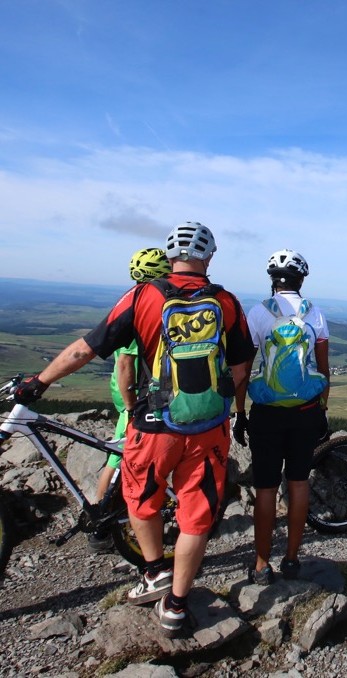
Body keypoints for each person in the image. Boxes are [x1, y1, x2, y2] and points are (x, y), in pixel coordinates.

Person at [14, 222, 254, 636]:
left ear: (170, 255)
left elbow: (86, 348)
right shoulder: (227, 301)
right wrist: (232, 408)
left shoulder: (143, 295)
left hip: (154, 424)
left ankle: (154, 569)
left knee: (141, 499)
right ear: (209, 257)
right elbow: (241, 364)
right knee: (197, 515)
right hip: (209, 426)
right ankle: (176, 606)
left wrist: (40, 382)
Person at [233, 248, 330, 585]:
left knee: (265, 489)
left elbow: (243, 369)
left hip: (266, 414)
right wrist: (322, 411)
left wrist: (239, 413)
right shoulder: (315, 315)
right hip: (305, 413)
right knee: (299, 483)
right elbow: (323, 369)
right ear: (301, 279)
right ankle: (291, 559)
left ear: (272, 279)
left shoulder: (257, 314)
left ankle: (261, 565)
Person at [88, 247, 172, 553]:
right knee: (118, 456)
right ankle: (99, 525)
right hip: (134, 398)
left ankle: (102, 516)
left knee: (120, 454)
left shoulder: (132, 301)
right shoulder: (147, 307)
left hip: (124, 393)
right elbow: (125, 364)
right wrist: (130, 406)